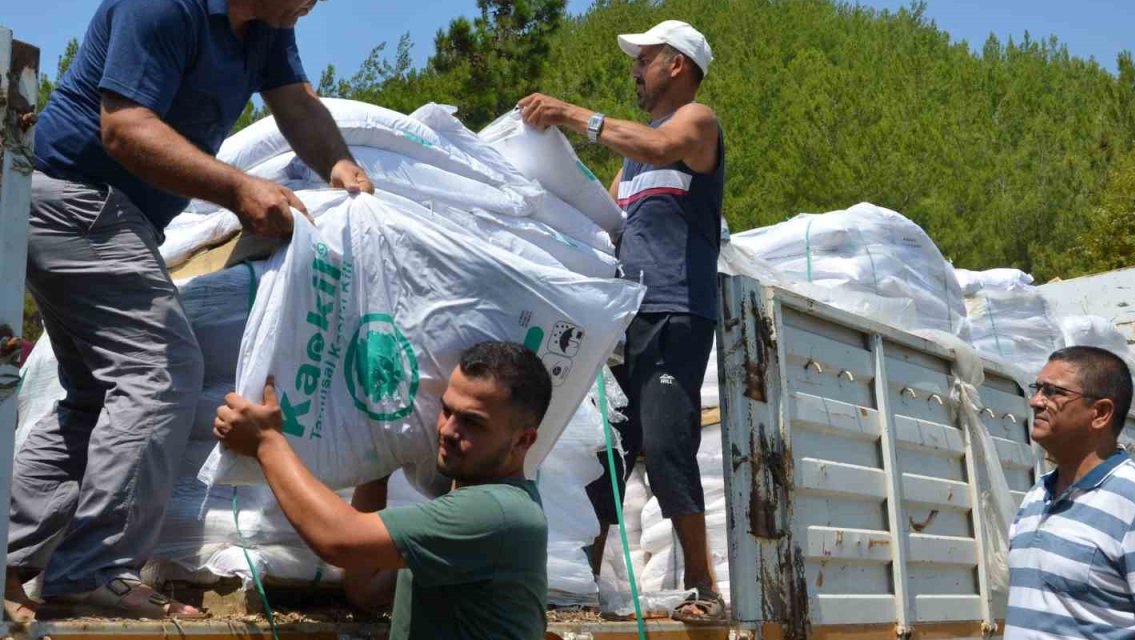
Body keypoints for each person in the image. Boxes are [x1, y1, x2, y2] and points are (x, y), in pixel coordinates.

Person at [9, 0, 373, 620]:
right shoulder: (162, 6)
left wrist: (339, 163)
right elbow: (123, 127)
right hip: (79, 198)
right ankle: (92, 572)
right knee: (162, 369)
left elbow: (297, 103)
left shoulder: (265, 25)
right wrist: (237, 187)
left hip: (103, 210)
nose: (313, 5)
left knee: (97, 397)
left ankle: (12, 556)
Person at [517, 19, 726, 623]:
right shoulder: (630, 168)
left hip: (674, 312)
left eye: (645, 58)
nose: (635, 68)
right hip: (628, 320)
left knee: (665, 446)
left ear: (677, 65)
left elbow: (658, 146)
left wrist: (570, 115)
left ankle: (705, 590)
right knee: (610, 451)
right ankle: (581, 580)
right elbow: (607, 224)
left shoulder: (696, 123)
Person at [213, 341, 551, 640]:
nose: (447, 430)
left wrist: (266, 442)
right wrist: (377, 465)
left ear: (523, 440)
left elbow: (339, 540)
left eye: (472, 422)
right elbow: (366, 589)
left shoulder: (496, 512)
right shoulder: (467, 512)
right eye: (447, 410)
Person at [1006, 346, 1135, 639]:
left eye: (1053, 392)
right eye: (1037, 389)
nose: (1036, 401)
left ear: (1100, 413)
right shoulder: (1036, 496)